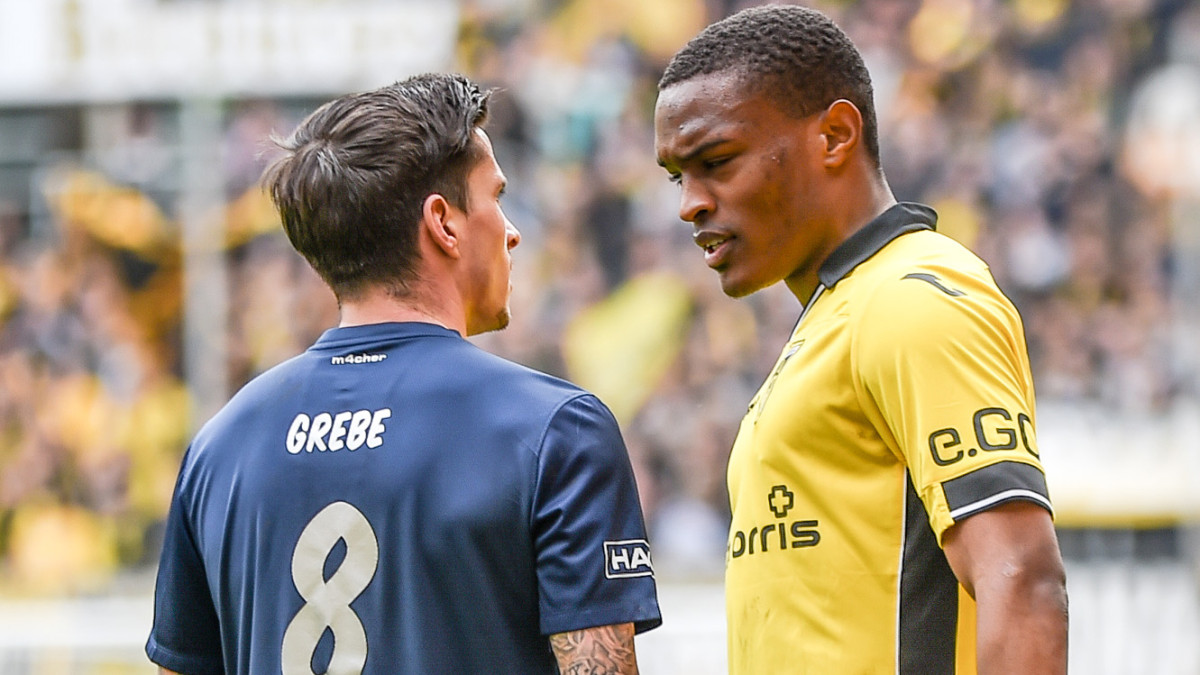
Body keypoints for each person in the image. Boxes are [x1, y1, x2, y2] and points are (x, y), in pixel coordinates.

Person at [146, 73, 661, 675]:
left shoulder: (218, 448)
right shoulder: (555, 430)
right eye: (496, 197)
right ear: (443, 222)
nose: (512, 231)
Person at [654, 5, 1066, 674]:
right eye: (679, 176)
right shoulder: (833, 320)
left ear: (835, 135)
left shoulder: (913, 297)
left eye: (718, 161)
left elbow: (1021, 580)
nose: (689, 203)